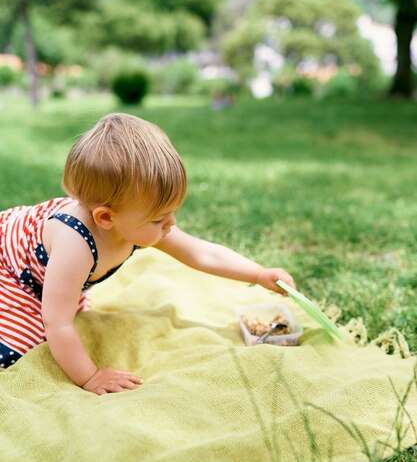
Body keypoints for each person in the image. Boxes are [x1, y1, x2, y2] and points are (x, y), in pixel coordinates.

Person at [0, 113, 296, 395]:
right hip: (11, 275)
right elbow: (58, 323)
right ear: (106, 218)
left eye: (171, 213)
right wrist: (90, 376)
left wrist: (258, 273)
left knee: (68, 308)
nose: (171, 224)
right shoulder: (74, 245)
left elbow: (201, 252)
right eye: (158, 219)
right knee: (22, 345)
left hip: (51, 276)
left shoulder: (132, 223)